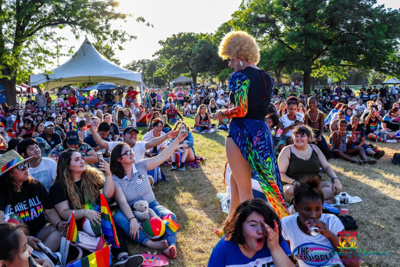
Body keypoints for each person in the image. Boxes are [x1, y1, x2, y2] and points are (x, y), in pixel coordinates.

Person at [213, 31, 288, 218]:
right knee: (268, 182)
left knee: (245, 188)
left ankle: (245, 229)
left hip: (242, 131)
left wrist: (220, 113)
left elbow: (241, 109)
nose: (230, 64)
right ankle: (232, 221)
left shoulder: (238, 76)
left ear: (239, 56)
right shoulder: (267, 77)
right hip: (261, 131)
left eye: (230, 59)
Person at [49, 149, 142, 266]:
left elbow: (108, 194)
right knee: (86, 254)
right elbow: (64, 212)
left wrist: (108, 174)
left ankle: (123, 257)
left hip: (98, 218)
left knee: (113, 227)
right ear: (67, 166)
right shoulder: (59, 187)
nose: (82, 161)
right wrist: (85, 213)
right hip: (78, 226)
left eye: (81, 158)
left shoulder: (90, 176)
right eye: (77, 160)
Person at [110, 130, 188, 259]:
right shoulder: (116, 178)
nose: (131, 152)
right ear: (119, 159)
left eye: (131, 150)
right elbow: (122, 202)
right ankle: (150, 242)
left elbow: (162, 157)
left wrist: (178, 140)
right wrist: (132, 220)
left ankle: (169, 245)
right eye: (127, 152)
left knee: (170, 216)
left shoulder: (141, 165)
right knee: (118, 217)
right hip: (132, 211)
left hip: (152, 205)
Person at [281, 175, 359, 267]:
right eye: (307, 209)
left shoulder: (332, 222)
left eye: (318, 209)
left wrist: (330, 235)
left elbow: (354, 264)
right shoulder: (287, 224)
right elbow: (288, 255)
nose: (313, 215)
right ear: (295, 207)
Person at [0, 150, 67, 252]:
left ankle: (41, 258)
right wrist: (24, 239)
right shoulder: (2, 193)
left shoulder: (36, 185)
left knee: (60, 231)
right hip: (15, 239)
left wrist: (58, 223)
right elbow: (1, 222)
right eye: (21, 167)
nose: (26, 168)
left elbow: (49, 210)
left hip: (40, 232)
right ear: (10, 174)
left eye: (26, 164)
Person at [208, 199, 294, 267]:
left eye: (265, 224)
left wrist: (275, 248)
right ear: (239, 226)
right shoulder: (223, 249)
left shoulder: (275, 241)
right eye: (253, 225)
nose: (260, 230)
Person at [278, 125, 342, 204]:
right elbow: (281, 174)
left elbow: (326, 166)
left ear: (309, 137)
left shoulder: (314, 148)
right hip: (294, 185)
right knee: (290, 191)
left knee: (333, 188)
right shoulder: (287, 150)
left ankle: (304, 202)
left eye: (302, 136)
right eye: (296, 136)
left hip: (314, 185)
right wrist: (295, 183)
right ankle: (321, 201)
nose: (299, 139)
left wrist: (335, 179)